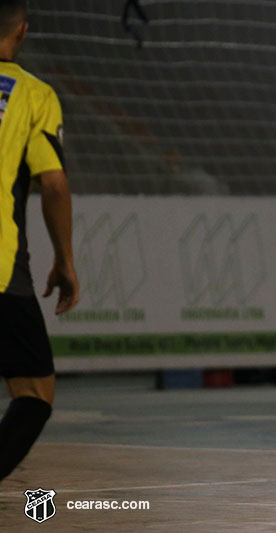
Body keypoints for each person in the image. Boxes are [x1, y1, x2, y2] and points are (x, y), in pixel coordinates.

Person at [0, 0, 79, 482]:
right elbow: (52, 183)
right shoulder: (33, 94)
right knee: (34, 391)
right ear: (22, 31)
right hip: (2, 264)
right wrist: (65, 259)